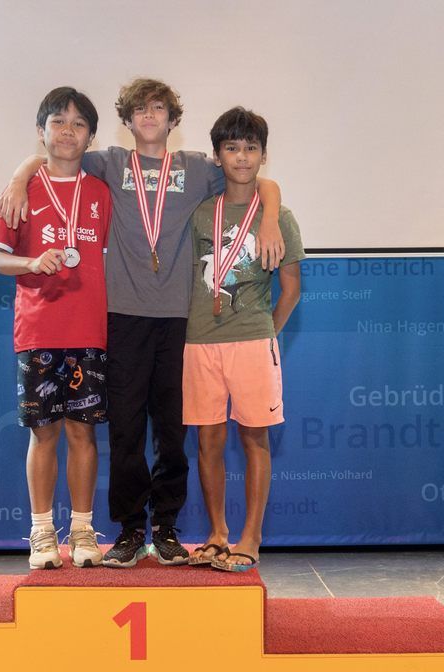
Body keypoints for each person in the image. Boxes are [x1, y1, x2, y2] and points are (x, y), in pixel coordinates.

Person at [0, 78, 286, 567]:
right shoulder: (107, 162)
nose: (149, 116)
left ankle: (168, 529)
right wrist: (19, 176)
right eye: (139, 110)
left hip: (180, 320)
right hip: (123, 315)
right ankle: (131, 530)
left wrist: (273, 215)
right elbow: (54, 155)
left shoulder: (198, 168)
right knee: (127, 430)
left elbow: (256, 178)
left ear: (173, 121)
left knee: (172, 431)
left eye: (159, 109)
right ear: (126, 121)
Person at [0, 87, 113, 569]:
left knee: (84, 434)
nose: (67, 130)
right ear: (40, 131)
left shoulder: (101, 194)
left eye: (79, 124)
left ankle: (83, 530)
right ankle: (42, 533)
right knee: (44, 435)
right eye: (58, 121)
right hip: (38, 330)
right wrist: (32, 262)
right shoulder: (19, 190)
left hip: (88, 332)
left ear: (92, 137)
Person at [183, 107, 303, 572]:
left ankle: (250, 537)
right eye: (232, 147)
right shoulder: (200, 215)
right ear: (217, 156)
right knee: (208, 443)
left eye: (251, 148)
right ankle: (216, 534)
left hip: (253, 342)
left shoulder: (279, 217)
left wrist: (264, 333)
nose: (241, 156)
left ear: (263, 155)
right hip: (199, 342)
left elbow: (291, 290)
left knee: (255, 441)